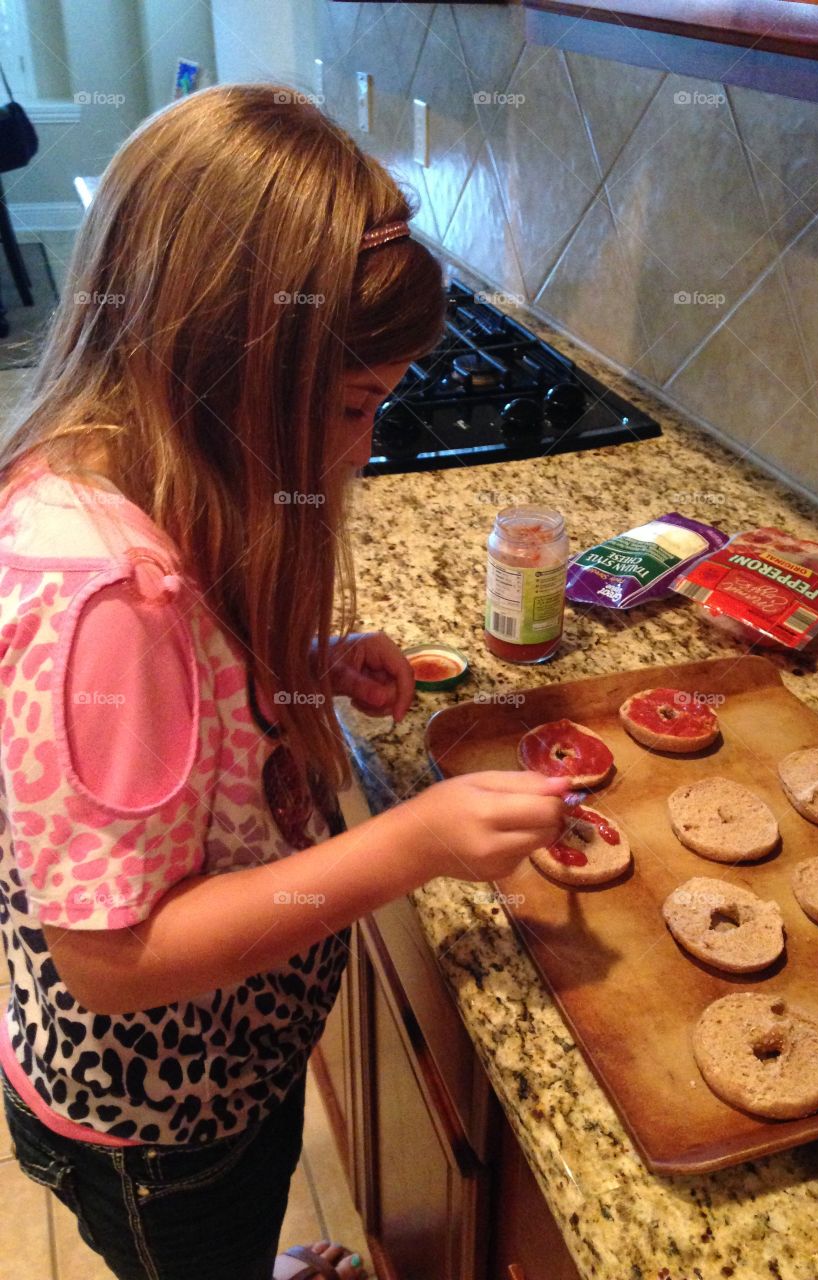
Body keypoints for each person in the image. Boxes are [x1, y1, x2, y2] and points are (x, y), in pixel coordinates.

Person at [0, 83, 569, 1280]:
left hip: (227, 1080)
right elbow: (114, 955)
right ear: (227, 362)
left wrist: (294, 674)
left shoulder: (137, 471)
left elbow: (174, 717)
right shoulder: (104, 596)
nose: (366, 445)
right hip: (166, 1124)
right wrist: (413, 839)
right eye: (357, 404)